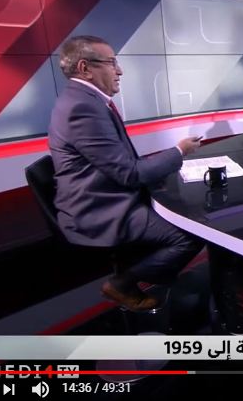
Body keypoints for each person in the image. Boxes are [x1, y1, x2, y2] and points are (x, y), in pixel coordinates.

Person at [49, 35, 204, 312]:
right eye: (111, 63)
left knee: (180, 207)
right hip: (97, 208)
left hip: (106, 193)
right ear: (85, 68)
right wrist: (178, 152)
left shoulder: (86, 100)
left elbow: (122, 162)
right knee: (190, 235)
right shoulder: (82, 107)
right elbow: (129, 173)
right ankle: (123, 284)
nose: (119, 71)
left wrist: (163, 164)